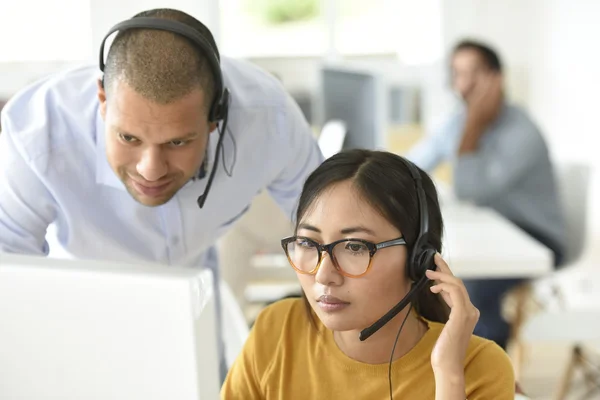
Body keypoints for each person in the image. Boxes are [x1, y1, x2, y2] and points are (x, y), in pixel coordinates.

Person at [0, 8, 323, 380]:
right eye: (129, 138)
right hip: (77, 299)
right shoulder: (37, 133)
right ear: (103, 100)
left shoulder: (269, 120)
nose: (150, 169)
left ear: (215, 117)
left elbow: (326, 228)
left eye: (178, 141)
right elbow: (11, 281)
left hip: (194, 287)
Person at [221, 149, 515, 399]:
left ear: (418, 257)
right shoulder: (276, 330)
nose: (324, 275)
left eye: (354, 247)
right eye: (309, 243)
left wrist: (448, 377)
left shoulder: (477, 367)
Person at [406, 39, 565, 350]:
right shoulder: (458, 121)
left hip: (536, 238)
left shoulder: (522, 132)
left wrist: (473, 127)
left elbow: (470, 190)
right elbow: (414, 164)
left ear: (497, 79)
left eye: (474, 74)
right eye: (457, 74)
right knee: (428, 275)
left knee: (470, 289)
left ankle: (487, 372)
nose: (463, 85)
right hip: (495, 231)